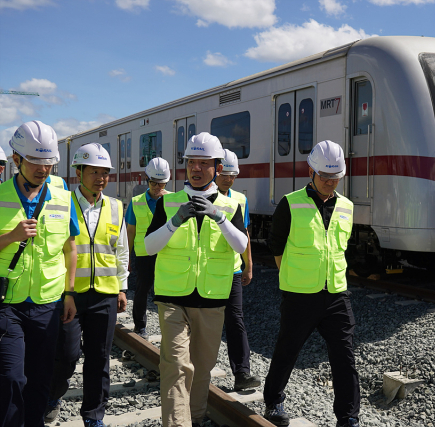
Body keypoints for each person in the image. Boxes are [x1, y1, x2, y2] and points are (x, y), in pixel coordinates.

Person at [144, 132, 248, 427]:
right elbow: (149, 247)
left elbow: (241, 246)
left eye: (204, 163)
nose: (197, 168)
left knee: (202, 369)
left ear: (217, 167)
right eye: (192, 162)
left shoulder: (230, 206)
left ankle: (197, 418)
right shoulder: (168, 204)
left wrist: (220, 217)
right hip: (172, 298)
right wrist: (174, 222)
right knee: (176, 366)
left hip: (212, 299)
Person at [264, 140, 361, 427]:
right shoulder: (290, 203)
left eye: (336, 178)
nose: (331, 183)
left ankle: (348, 418)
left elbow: (342, 248)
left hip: (336, 296)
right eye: (325, 177)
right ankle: (273, 401)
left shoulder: (347, 206)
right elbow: (276, 245)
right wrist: (294, 278)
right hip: (300, 296)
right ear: (311, 171)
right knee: (287, 350)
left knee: (344, 357)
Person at [0, 120, 78, 427]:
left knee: (41, 378)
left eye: (48, 163)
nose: (43, 169)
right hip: (8, 303)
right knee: (10, 376)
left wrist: (69, 293)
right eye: (35, 161)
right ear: (17, 159)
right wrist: (11, 236)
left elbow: (70, 249)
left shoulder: (62, 198)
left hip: (48, 303)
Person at [45, 143, 129, 427]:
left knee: (99, 359)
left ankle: (94, 416)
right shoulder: (61, 204)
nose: (100, 178)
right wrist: (64, 291)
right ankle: (52, 397)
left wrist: (122, 287)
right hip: (69, 295)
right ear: (78, 172)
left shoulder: (116, 207)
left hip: (105, 294)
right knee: (66, 356)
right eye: (94, 171)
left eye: (105, 172)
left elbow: (121, 251)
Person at [215, 149, 260, 391]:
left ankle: (242, 373)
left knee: (236, 321)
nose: (229, 180)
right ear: (216, 171)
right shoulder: (202, 197)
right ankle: (195, 370)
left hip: (232, 270)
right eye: (226, 175)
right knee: (205, 323)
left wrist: (248, 265)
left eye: (233, 176)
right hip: (207, 272)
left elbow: (245, 235)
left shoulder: (240, 200)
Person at [125, 157, 171, 339]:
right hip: (144, 255)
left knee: (165, 294)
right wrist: (127, 257)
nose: (157, 187)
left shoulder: (173, 201)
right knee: (142, 290)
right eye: (153, 182)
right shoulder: (136, 202)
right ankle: (140, 326)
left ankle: (169, 328)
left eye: (161, 183)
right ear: (147, 180)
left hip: (166, 254)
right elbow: (130, 232)